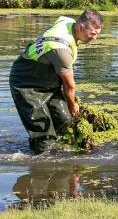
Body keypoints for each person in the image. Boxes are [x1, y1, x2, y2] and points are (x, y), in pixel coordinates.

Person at [10, 9, 103, 154]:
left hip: (48, 81)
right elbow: (69, 86)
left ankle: (66, 157)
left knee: (65, 123)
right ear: (80, 27)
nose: (94, 38)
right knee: (44, 135)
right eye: (92, 34)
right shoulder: (61, 50)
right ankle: (43, 164)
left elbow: (60, 19)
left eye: (97, 34)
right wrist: (74, 108)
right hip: (26, 83)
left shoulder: (68, 22)